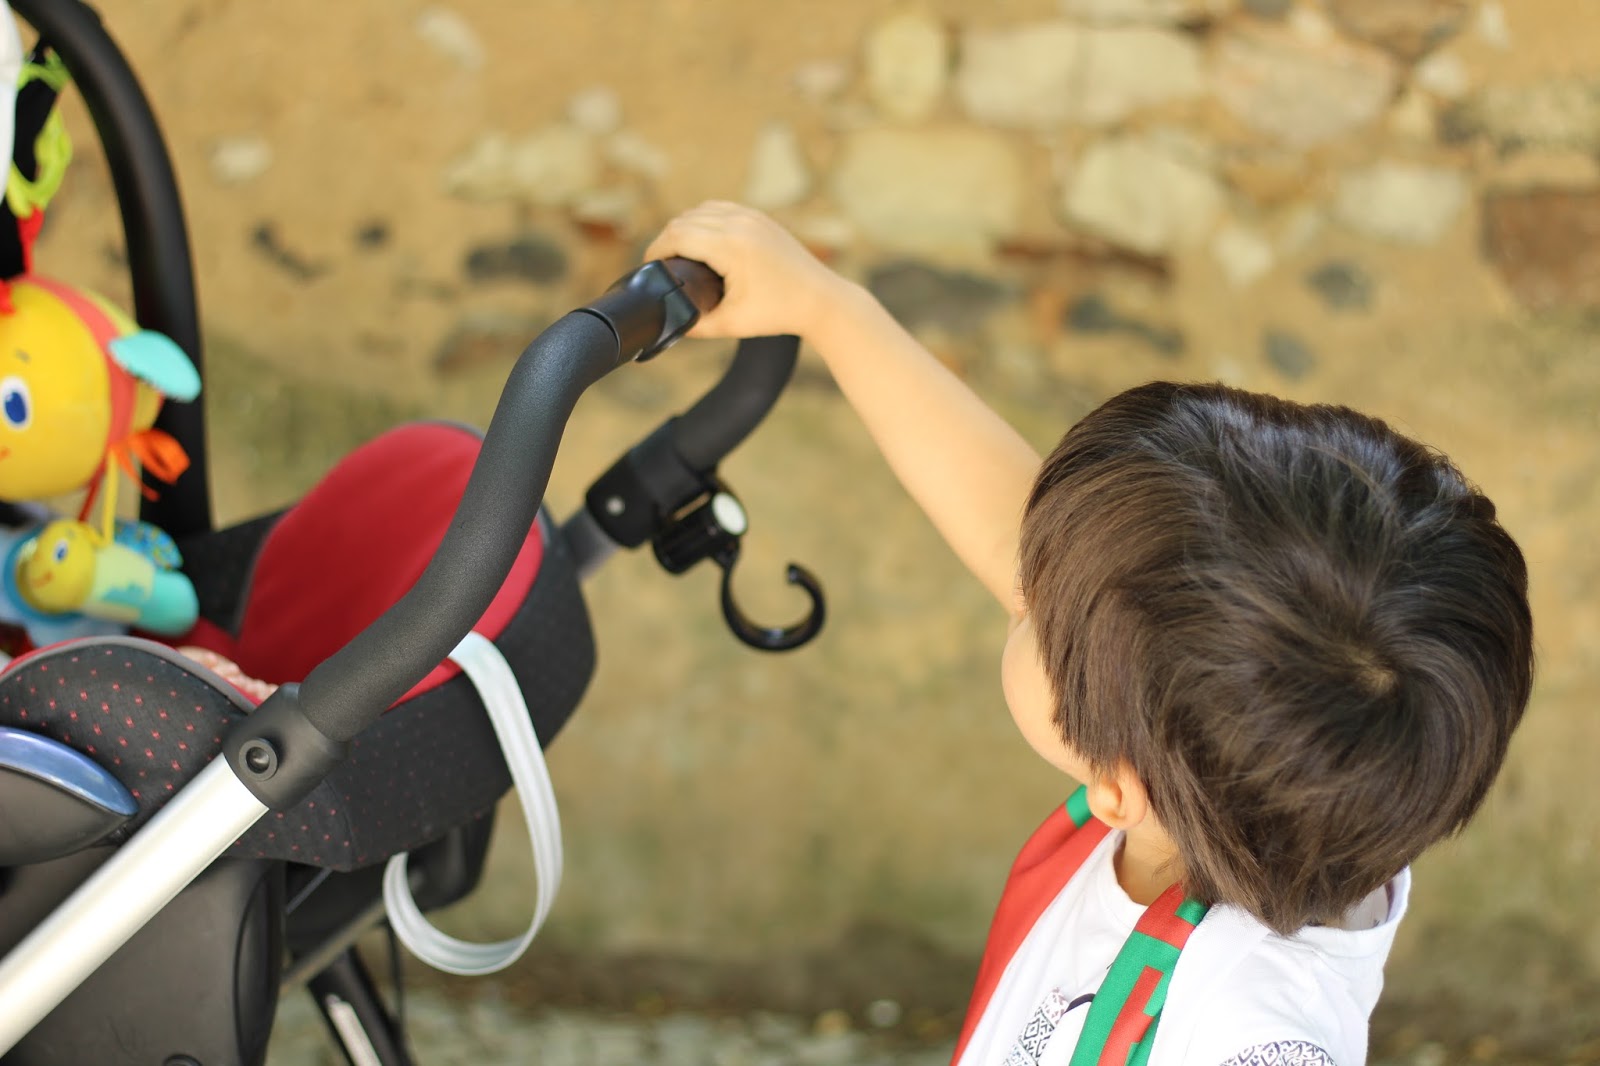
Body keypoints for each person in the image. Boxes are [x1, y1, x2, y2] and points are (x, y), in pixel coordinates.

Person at [645, 202, 1535, 1066]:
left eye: (1041, 610)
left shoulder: (1250, 1024)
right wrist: (828, 308)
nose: (1021, 576)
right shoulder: (1254, 792)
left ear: (1117, 786)